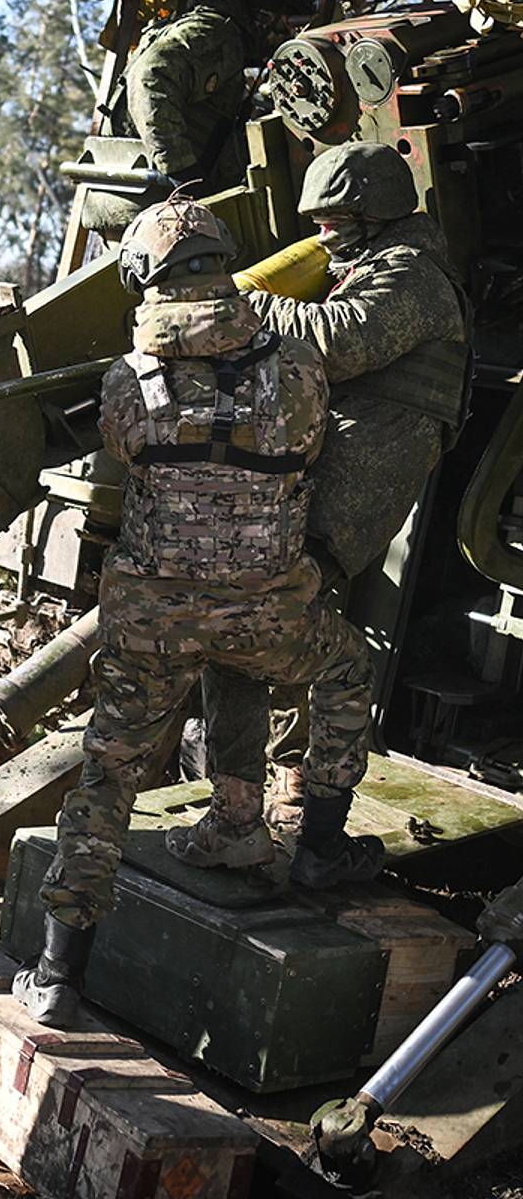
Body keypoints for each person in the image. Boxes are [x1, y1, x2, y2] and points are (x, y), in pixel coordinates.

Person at [11, 197, 379, 1026]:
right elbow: (313, 448)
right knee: (349, 670)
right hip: (268, 616)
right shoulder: (299, 365)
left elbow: (123, 455)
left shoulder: (125, 380)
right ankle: (320, 844)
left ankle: (57, 975)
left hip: (153, 627)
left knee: (108, 774)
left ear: (145, 279)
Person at [193, 141, 471, 853]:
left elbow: (336, 343)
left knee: (294, 645)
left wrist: (241, 301)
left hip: (352, 486)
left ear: (376, 215)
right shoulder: (371, 265)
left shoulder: (411, 274)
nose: (322, 237)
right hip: (322, 475)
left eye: (335, 220)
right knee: (259, 643)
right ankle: (267, 818)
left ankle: (297, 827)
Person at [82, 0, 317, 241]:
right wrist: (183, 175)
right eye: (286, 24)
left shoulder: (215, 32)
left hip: (140, 209)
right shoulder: (217, 33)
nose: (285, 35)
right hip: (156, 213)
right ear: (265, 14)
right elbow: (150, 78)